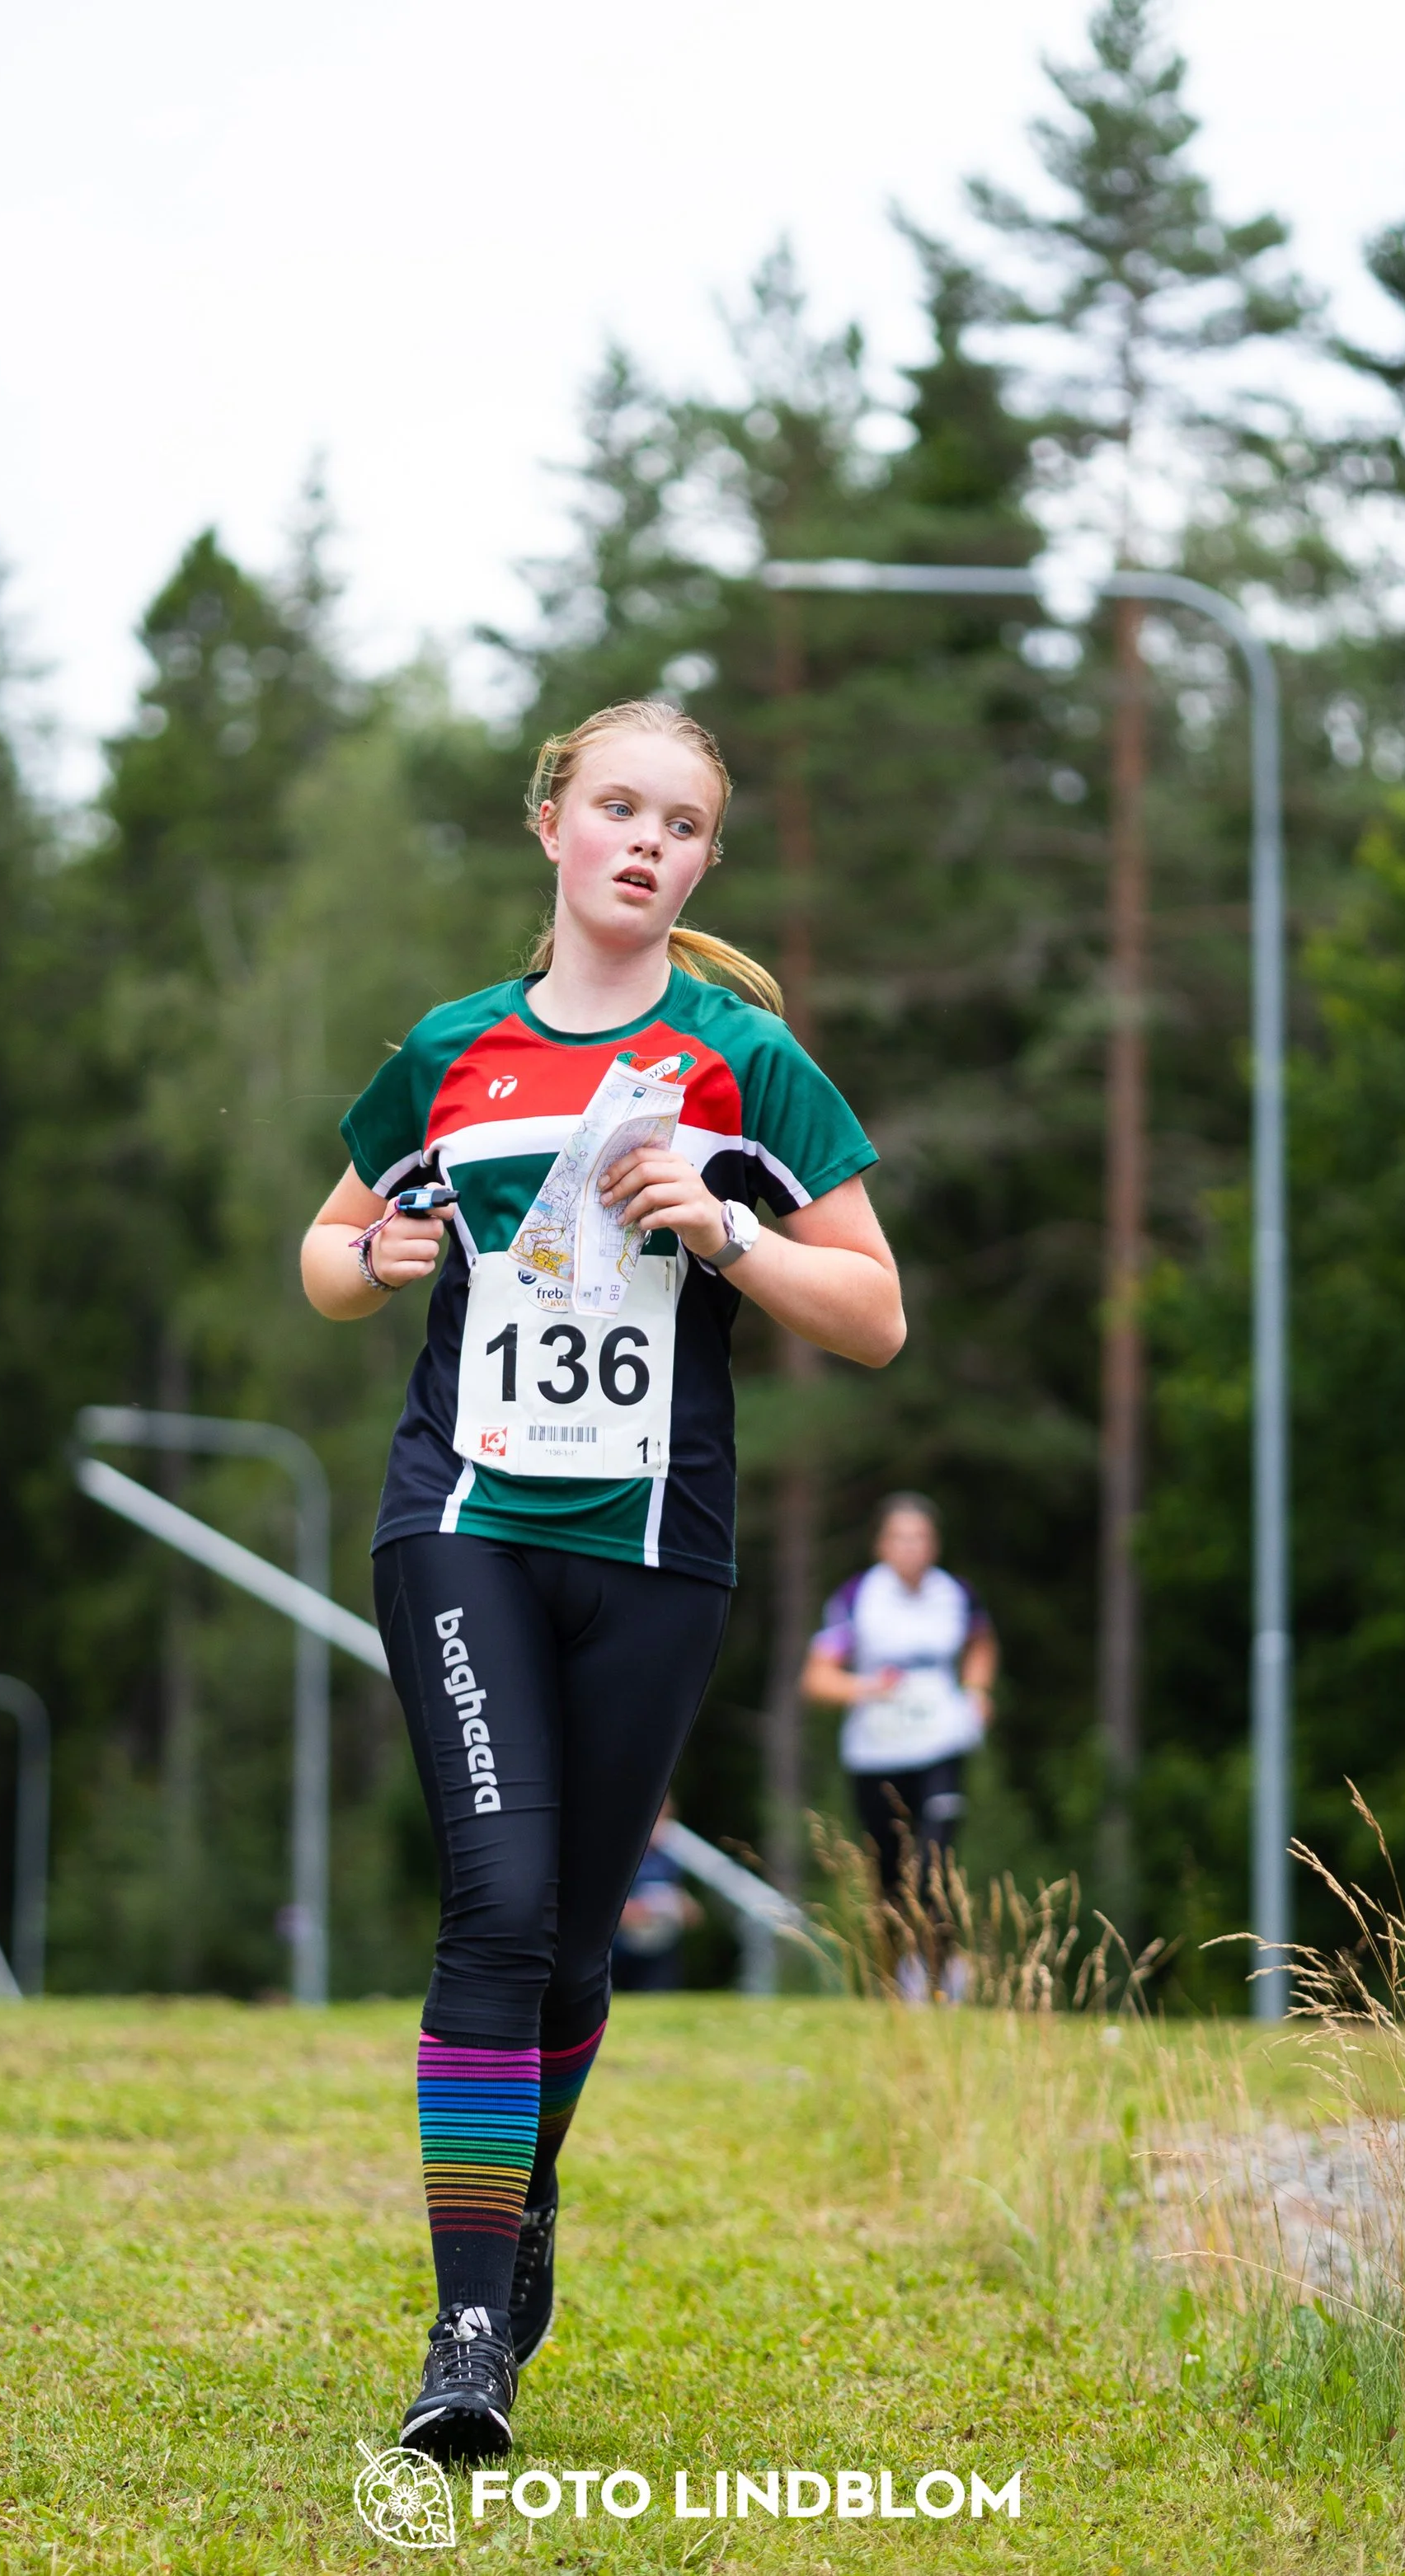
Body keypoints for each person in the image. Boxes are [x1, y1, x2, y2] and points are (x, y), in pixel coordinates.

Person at [302, 700, 903, 2461]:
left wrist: (726, 1226)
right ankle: (466, 2328)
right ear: (551, 822)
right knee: (492, 1904)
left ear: (704, 858)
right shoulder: (450, 1051)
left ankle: (520, 2189)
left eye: (683, 822)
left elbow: (871, 1311)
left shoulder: (740, 1063)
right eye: (617, 807)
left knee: (569, 1942)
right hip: (463, 1523)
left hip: (653, 1549)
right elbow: (331, 1247)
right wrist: (375, 1252)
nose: (646, 841)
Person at [801, 1493, 997, 1953]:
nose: (911, 1547)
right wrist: (868, 1687)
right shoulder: (857, 1598)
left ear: (935, 1545)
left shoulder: (956, 1594)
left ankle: (943, 1976)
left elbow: (982, 1643)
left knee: (936, 1861)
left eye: (920, 1537)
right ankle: (893, 1976)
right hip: (878, 1749)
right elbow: (817, 1678)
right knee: (889, 1872)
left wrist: (978, 1692)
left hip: (942, 1742)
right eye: (900, 1537)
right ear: (881, 1545)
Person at [610, 1798, 702, 1993]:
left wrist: (681, 1908)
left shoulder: (669, 1858)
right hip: (619, 1950)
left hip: (659, 1951)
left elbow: (691, 1911)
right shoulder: (618, 1854)